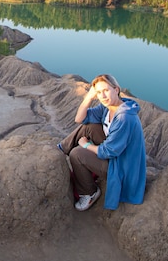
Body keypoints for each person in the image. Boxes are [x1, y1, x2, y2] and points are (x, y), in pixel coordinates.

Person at [58, 74, 146, 211]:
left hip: (122, 166)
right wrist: (89, 97)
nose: (103, 96)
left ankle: (89, 193)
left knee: (77, 154)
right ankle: (61, 149)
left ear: (116, 89)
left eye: (106, 90)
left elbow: (107, 151)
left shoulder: (124, 118)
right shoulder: (107, 107)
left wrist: (86, 145)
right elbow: (80, 119)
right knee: (88, 127)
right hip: (117, 154)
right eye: (99, 92)